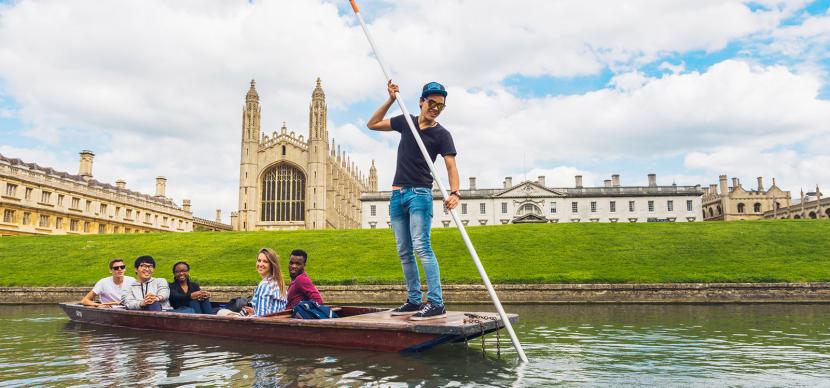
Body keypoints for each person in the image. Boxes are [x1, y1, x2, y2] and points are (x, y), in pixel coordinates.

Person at [366, 80, 459, 320]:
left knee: (421, 246)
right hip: (397, 195)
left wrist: (454, 193)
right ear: (421, 101)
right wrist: (390, 99)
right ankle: (414, 300)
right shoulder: (406, 122)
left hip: (420, 194)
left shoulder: (442, 134)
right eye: (432, 103)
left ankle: (436, 302)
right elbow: (372, 124)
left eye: (441, 106)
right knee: (404, 251)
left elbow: (451, 165)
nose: (436, 108)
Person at [241, 248, 287, 317]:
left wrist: (248, 317)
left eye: (265, 261)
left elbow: (261, 319)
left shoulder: (265, 285)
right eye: (259, 260)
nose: (260, 264)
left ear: (272, 264)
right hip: (275, 324)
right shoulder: (279, 283)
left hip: (265, 326)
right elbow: (271, 311)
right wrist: (254, 313)